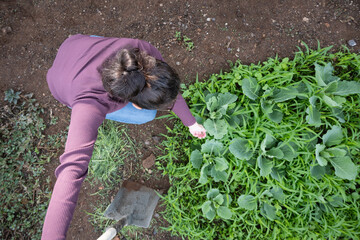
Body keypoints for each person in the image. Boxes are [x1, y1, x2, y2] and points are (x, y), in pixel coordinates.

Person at [42, 34, 206, 239]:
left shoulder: (139, 54)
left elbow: (164, 90)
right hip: (63, 84)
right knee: (147, 115)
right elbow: (71, 171)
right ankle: (74, 101)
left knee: (147, 101)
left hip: (75, 45)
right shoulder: (89, 104)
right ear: (133, 102)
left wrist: (190, 122)